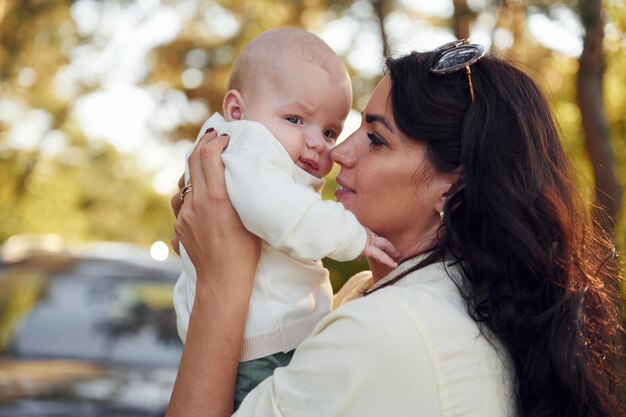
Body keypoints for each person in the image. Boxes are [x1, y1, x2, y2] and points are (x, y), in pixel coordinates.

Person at [168, 38, 625, 417]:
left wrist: (220, 285)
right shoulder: (384, 293)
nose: (337, 153)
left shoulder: (389, 334)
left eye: (375, 138)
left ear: (452, 187)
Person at [173, 28, 399, 409]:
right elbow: (279, 211)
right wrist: (356, 238)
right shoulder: (246, 143)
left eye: (330, 131)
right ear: (236, 110)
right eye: (296, 119)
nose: (317, 142)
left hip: (256, 338)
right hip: (261, 347)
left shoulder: (242, 151)